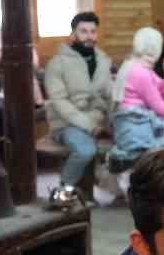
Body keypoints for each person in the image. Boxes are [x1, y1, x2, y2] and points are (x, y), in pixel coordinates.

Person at [45, 12, 115, 191]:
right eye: (83, 31)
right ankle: (64, 190)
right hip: (66, 123)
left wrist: (118, 115)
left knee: (134, 139)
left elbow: (110, 93)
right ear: (73, 33)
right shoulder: (57, 63)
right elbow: (59, 102)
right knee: (85, 150)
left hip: (99, 120)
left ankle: (111, 191)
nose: (89, 36)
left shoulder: (103, 61)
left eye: (93, 31)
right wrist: (89, 125)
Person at [115, 27, 164, 149]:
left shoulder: (140, 66)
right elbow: (158, 105)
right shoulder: (139, 71)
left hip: (144, 121)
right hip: (138, 125)